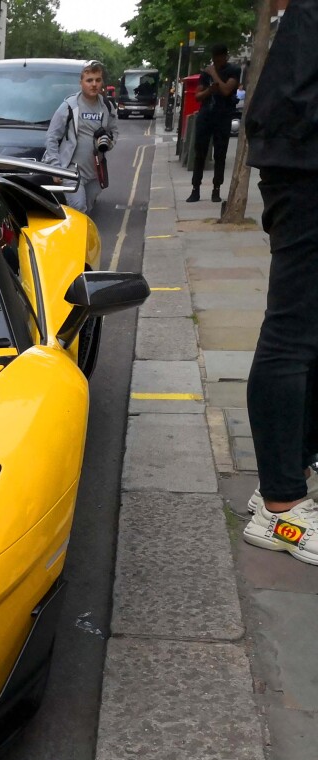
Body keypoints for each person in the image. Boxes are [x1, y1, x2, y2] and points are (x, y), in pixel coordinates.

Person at [242, 0, 318, 564]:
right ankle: (280, 510)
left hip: (301, 161)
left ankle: (284, 478)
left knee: (307, 336)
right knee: (293, 334)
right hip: (306, 169)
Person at [43, 60, 117, 215]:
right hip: (72, 171)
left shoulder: (107, 106)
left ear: (102, 82)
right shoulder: (69, 106)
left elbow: (113, 131)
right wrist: (56, 168)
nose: (94, 84)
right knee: (79, 208)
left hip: (96, 171)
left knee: (87, 211)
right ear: (81, 82)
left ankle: (77, 237)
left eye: (97, 80)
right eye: (89, 80)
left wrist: (108, 142)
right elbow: (51, 137)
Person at [186, 43, 241, 203]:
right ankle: (195, 189)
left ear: (225, 57)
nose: (215, 62)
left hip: (223, 116)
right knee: (199, 153)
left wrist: (214, 74)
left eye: (218, 59)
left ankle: (216, 189)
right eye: (213, 60)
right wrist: (208, 91)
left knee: (220, 155)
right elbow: (197, 96)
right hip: (206, 116)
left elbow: (225, 90)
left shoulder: (233, 71)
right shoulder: (205, 73)